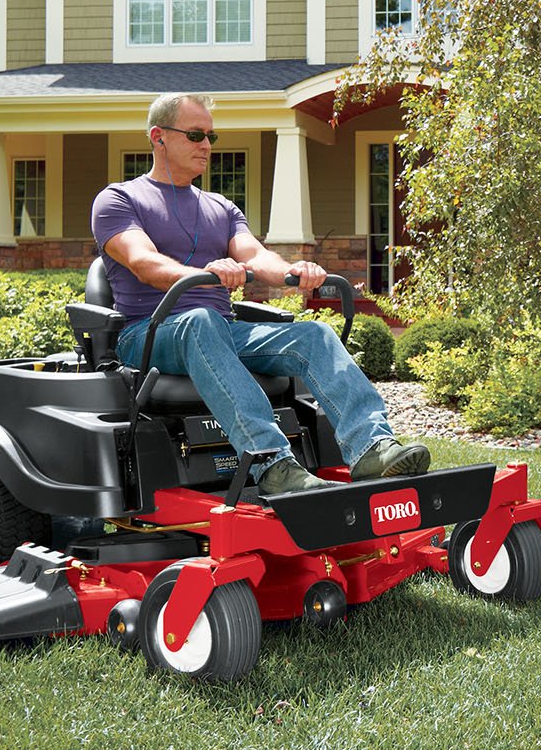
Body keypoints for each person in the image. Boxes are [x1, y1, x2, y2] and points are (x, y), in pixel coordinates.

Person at [88, 91, 429, 500]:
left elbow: (256, 256)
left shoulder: (220, 207)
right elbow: (143, 261)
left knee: (314, 334)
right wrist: (205, 273)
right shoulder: (119, 199)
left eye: (211, 136)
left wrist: (294, 272)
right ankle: (272, 462)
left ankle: (371, 448)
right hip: (149, 332)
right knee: (200, 321)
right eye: (196, 135)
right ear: (158, 136)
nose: (207, 146)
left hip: (220, 331)